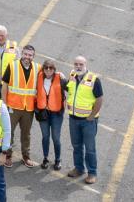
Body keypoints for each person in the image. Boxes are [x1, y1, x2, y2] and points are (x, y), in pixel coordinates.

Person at [65, 56, 102, 185]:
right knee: (76, 146)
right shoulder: (72, 75)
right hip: (73, 119)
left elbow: (99, 99)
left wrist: (92, 116)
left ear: (85, 65)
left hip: (88, 121)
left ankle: (92, 173)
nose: (78, 66)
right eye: (76, 64)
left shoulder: (94, 79)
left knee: (90, 148)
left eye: (81, 64)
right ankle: (79, 168)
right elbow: (68, 90)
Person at [1, 44, 39, 168]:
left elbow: (49, 76)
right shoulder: (12, 66)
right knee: (9, 132)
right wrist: (4, 104)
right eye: (25, 54)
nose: (27, 57)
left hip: (28, 108)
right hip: (13, 106)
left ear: (33, 56)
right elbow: (5, 86)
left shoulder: (38, 68)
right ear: (21, 53)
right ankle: (7, 156)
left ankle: (26, 156)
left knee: (26, 133)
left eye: (30, 55)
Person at [35, 58, 66, 170]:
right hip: (43, 112)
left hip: (56, 113)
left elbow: (71, 88)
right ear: (43, 69)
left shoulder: (61, 79)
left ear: (54, 69)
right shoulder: (38, 77)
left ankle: (58, 160)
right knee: (45, 136)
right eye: (46, 68)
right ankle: (45, 158)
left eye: (51, 68)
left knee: (56, 138)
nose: (48, 70)